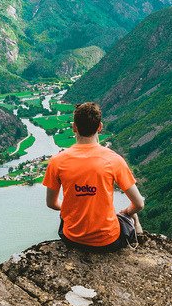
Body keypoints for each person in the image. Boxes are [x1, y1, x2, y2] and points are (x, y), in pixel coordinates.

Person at [42, 101, 144, 252]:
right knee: (132, 216)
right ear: (100, 127)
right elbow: (139, 204)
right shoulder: (114, 160)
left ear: (74, 127)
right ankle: (140, 244)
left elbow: (51, 203)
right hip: (108, 240)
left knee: (65, 218)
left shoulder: (57, 161)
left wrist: (71, 209)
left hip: (72, 238)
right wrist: (128, 212)